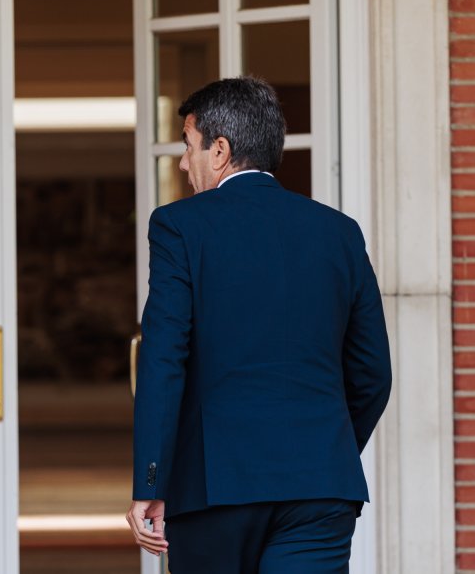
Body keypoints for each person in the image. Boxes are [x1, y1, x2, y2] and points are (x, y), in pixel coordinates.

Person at [126, 77, 392, 573]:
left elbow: (164, 361)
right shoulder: (339, 231)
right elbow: (373, 371)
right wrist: (322, 448)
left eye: (188, 146)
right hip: (319, 485)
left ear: (220, 150)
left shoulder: (179, 225)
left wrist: (151, 483)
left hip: (215, 487)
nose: (183, 163)